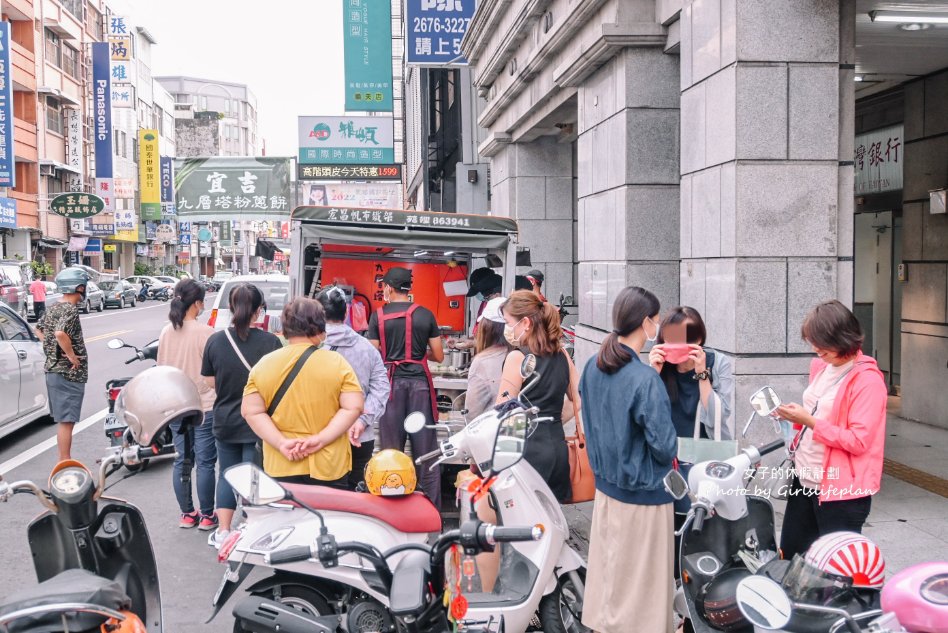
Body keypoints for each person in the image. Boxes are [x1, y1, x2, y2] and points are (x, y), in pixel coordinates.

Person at [579, 286, 678, 633]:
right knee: (643, 592)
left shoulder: (593, 365)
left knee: (611, 577)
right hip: (644, 493)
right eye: (657, 319)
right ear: (646, 323)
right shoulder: (644, 378)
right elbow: (665, 447)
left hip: (607, 490)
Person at [775, 300, 887, 559]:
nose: (815, 348)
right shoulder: (822, 367)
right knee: (793, 557)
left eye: (821, 342)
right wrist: (792, 417)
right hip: (805, 479)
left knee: (834, 571)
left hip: (841, 491)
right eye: (812, 341)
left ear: (843, 337)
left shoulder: (867, 380)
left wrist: (809, 421)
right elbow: (817, 413)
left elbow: (859, 440)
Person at [243, 298, 365, 488]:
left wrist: (281, 443)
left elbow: (251, 411)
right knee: (329, 517)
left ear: (285, 329)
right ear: (320, 330)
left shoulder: (264, 365)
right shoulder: (336, 362)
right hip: (328, 464)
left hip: (282, 462)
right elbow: (354, 406)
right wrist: (320, 439)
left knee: (286, 518)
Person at [201, 283, 282, 545]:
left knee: (227, 473)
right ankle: (253, 529)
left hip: (225, 419)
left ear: (232, 308)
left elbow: (209, 380)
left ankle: (223, 531)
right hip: (258, 422)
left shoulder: (216, 340)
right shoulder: (271, 342)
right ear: (259, 310)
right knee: (255, 477)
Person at [368, 267, 444, 506]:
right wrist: (419, 355)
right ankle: (431, 510)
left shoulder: (377, 317)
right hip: (420, 386)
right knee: (427, 451)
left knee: (391, 451)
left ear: (389, 288)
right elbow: (440, 356)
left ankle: (393, 508)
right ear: (408, 289)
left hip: (390, 387)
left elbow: (373, 354)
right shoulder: (426, 315)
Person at [495, 290, 577, 501]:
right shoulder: (562, 354)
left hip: (526, 452)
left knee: (522, 524)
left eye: (508, 322)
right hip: (557, 450)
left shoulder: (518, 357)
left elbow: (504, 412)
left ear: (525, 323)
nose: (507, 328)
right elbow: (579, 397)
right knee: (550, 522)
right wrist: (552, 421)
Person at [158, 279, 218, 530]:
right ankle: (207, 516)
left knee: (182, 459)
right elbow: (214, 374)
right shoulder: (206, 333)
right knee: (205, 462)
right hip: (204, 405)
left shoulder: (166, 331)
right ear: (196, 303)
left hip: (176, 406)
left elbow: (161, 370)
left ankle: (187, 514)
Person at [317, 286, 391, 491]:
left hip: (318, 435)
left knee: (324, 495)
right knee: (356, 496)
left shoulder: (312, 346)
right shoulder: (367, 347)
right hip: (360, 435)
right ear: (346, 312)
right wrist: (362, 420)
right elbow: (382, 388)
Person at [648, 306, 734, 441]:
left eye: (684, 338)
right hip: (669, 451)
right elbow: (645, 414)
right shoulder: (659, 364)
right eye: (672, 338)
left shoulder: (718, 363)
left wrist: (702, 374)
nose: (677, 345)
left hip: (709, 451)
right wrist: (653, 373)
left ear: (698, 339)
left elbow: (718, 417)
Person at [35, 268, 89, 461]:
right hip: (68, 374)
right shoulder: (70, 310)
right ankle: (64, 463)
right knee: (67, 422)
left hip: (53, 371)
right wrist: (71, 356)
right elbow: (60, 333)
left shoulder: (54, 307)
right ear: (80, 287)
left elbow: (38, 329)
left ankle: (64, 460)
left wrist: (51, 349)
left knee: (64, 420)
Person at [464, 297, 511, 418]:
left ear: (487, 328)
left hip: (491, 430)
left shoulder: (482, 362)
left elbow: (471, 413)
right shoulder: (522, 354)